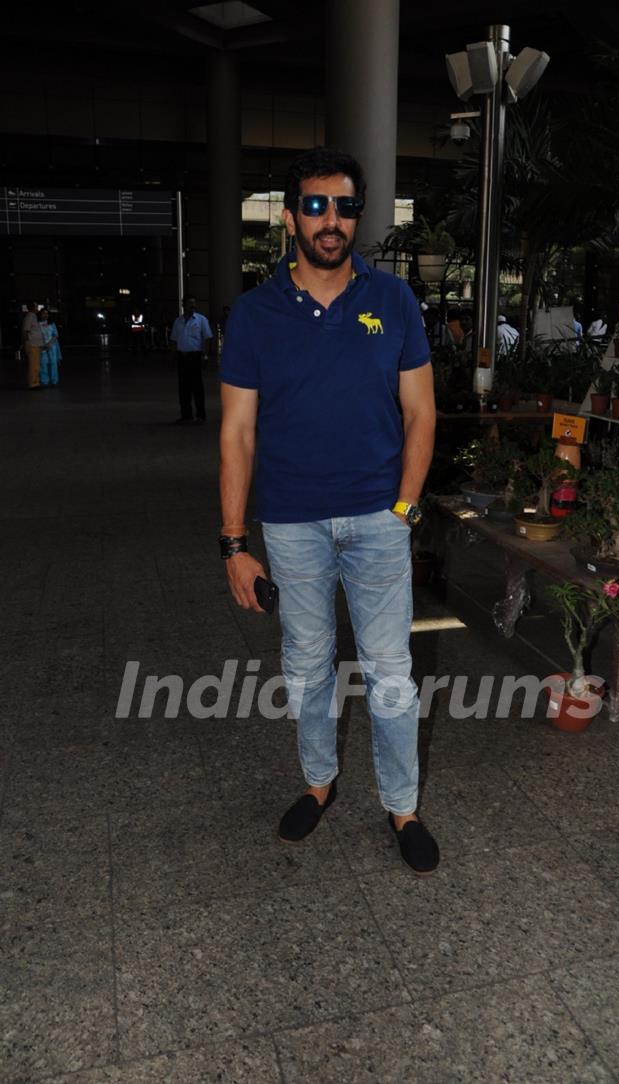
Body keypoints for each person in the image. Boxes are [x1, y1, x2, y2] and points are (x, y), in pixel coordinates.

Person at [219, 146, 439, 875]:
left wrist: (404, 507)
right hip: (291, 524)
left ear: (357, 218)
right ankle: (318, 784)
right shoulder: (254, 315)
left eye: (344, 206)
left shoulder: (394, 302)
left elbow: (421, 413)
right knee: (308, 667)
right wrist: (232, 542)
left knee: (390, 672)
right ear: (289, 218)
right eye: (316, 205)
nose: (331, 220)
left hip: (379, 520)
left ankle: (402, 807)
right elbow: (237, 433)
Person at [169, 296, 213, 424]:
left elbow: (207, 338)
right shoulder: (178, 321)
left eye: (194, 304)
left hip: (195, 357)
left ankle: (200, 415)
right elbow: (174, 340)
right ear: (183, 305)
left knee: (197, 387)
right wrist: (172, 358)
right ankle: (186, 415)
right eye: (190, 304)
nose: (193, 307)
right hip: (182, 357)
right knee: (183, 388)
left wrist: (205, 356)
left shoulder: (201, 320)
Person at [21, 301, 44, 389]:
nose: (37, 308)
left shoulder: (34, 317)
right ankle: (33, 383)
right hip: (32, 344)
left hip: (36, 344)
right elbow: (25, 331)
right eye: (36, 306)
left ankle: (36, 382)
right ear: (32, 307)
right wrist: (27, 342)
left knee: (36, 365)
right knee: (33, 365)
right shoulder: (29, 317)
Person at [38, 307, 62, 386]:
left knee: (53, 363)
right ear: (40, 314)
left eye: (47, 313)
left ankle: (54, 381)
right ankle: (44, 381)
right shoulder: (37, 324)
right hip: (42, 347)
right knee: (43, 364)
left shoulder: (52, 324)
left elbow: (55, 335)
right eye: (44, 313)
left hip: (52, 346)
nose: (46, 315)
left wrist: (50, 343)